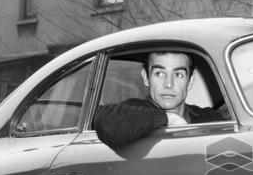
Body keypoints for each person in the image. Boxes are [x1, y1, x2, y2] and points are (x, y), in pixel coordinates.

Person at [94, 52, 224, 147]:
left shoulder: (209, 118)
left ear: (190, 81)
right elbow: (105, 123)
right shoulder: (133, 110)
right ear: (146, 77)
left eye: (178, 75)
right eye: (159, 74)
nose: (168, 84)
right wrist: (169, 119)